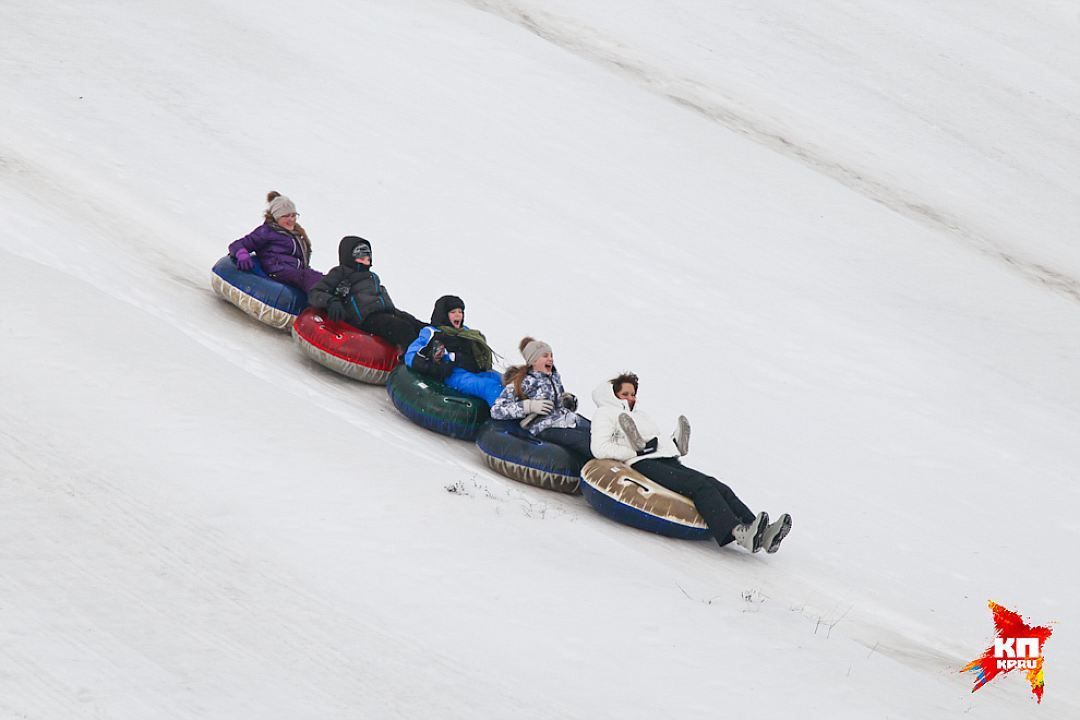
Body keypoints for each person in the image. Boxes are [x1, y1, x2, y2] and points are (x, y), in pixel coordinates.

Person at [590, 372, 791, 554]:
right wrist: (635, 451)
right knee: (699, 487)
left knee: (716, 485)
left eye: (633, 394)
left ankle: (759, 531)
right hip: (641, 462)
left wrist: (672, 446)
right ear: (612, 394)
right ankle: (737, 532)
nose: (631, 398)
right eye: (625, 394)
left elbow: (656, 441)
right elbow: (599, 448)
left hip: (664, 458)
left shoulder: (640, 416)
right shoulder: (605, 413)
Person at [307, 235, 426, 350]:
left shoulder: (372, 276)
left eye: (368, 255)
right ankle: (412, 359)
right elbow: (316, 292)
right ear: (349, 257)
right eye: (360, 256)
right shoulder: (341, 273)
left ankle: (432, 351)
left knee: (418, 325)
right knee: (402, 328)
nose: (366, 259)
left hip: (385, 312)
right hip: (365, 318)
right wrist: (331, 301)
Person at [490, 337, 593, 462]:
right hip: (545, 427)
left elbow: (555, 402)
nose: (550, 359)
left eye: (551, 355)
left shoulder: (554, 377)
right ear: (533, 360)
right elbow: (497, 410)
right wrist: (529, 406)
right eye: (545, 356)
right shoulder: (524, 382)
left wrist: (565, 400)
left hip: (566, 419)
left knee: (600, 432)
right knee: (588, 442)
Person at [405, 295, 504, 405]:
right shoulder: (432, 332)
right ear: (443, 315)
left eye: (460, 312)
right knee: (488, 386)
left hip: (473, 371)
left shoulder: (466, 332)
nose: (458, 315)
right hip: (454, 375)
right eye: (453, 312)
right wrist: (435, 368)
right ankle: (502, 410)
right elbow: (410, 356)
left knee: (503, 380)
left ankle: (517, 405)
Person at [228, 191, 323, 292]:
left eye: (293, 215)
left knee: (325, 279)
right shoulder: (267, 231)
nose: (291, 219)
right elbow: (237, 244)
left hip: (296, 273)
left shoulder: (296, 234)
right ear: (276, 217)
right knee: (308, 277)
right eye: (286, 216)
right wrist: (241, 253)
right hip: (278, 271)